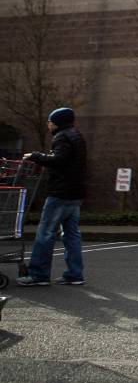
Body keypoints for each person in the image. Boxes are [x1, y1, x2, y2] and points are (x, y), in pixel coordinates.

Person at [17, 107, 87, 286]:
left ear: (57, 122)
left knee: (45, 233)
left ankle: (39, 275)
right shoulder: (76, 135)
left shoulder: (61, 137)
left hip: (60, 192)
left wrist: (36, 156)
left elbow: (59, 160)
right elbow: (66, 159)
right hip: (76, 192)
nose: (48, 124)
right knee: (71, 234)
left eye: (49, 121)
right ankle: (75, 273)